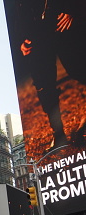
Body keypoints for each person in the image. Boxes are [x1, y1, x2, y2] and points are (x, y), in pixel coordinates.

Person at [13, 0, 86, 151]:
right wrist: (22, 38)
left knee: (77, 69)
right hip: (36, 34)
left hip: (60, 20)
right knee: (43, 82)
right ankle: (58, 135)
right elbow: (19, 7)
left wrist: (72, 9)